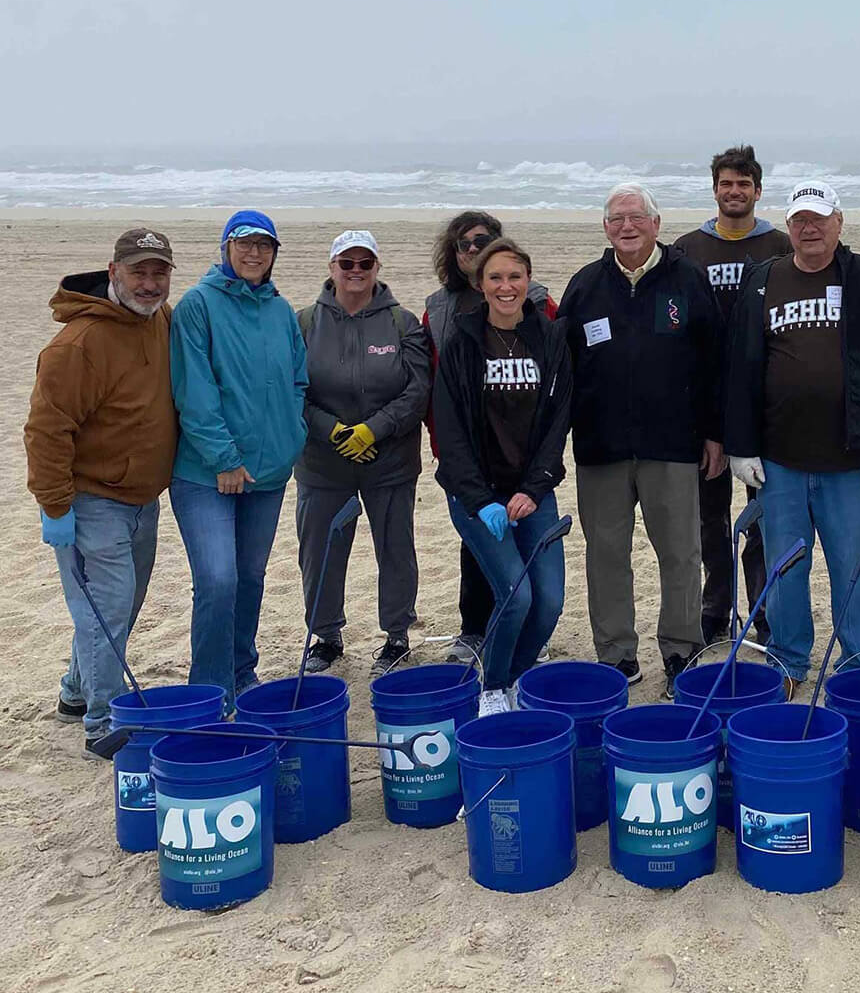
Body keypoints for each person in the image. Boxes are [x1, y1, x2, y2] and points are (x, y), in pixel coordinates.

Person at [725, 180, 860, 699]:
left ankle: (855, 663)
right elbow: (741, 367)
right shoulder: (763, 281)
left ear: (839, 221)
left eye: (819, 218)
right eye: (800, 220)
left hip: (852, 462)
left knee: (854, 568)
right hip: (781, 461)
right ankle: (790, 660)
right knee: (786, 569)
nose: (810, 228)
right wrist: (740, 443)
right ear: (788, 227)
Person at [558, 183, 724, 698]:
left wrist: (716, 433)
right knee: (606, 555)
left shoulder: (688, 278)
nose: (626, 227)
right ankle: (617, 655)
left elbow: (715, 362)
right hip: (601, 448)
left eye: (636, 218)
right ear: (605, 229)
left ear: (656, 223)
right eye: (616, 220)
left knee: (680, 552)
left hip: (672, 444)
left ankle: (680, 648)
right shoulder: (585, 286)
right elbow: (563, 369)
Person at [24, 228, 177, 757]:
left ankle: (73, 691)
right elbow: (45, 430)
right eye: (139, 272)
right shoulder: (76, 345)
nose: (150, 283)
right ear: (113, 272)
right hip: (90, 501)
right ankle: (101, 722)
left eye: (160, 273)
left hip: (142, 498)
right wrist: (55, 507)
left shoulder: (159, 319)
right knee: (108, 610)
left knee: (115, 610)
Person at [170, 210, 308, 713]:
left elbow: (298, 381)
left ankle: (240, 672)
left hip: (268, 474)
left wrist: (289, 439)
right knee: (218, 579)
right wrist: (225, 458)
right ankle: (209, 692)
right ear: (225, 247)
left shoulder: (280, 310)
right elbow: (195, 390)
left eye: (264, 246)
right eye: (244, 244)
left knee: (249, 577)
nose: (254, 254)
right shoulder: (197, 305)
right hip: (207, 474)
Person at [432, 238, 572, 715]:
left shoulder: (549, 338)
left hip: (533, 492)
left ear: (528, 281)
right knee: (515, 594)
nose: (506, 286)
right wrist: (478, 498)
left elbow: (558, 421)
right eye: (495, 278)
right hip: (477, 497)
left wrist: (534, 489)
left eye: (514, 276)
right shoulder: (462, 343)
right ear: (480, 285)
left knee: (549, 601)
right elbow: (449, 433)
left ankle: (515, 677)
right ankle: (492, 689)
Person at [295, 230, 431, 678]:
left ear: (377, 268)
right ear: (331, 267)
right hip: (323, 462)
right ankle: (326, 636)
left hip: (389, 461)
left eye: (364, 263)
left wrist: (375, 429)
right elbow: (291, 390)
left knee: (395, 549)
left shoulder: (402, 322)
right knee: (321, 551)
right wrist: (328, 428)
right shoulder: (304, 323)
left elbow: (418, 390)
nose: (356, 271)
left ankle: (396, 636)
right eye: (346, 263)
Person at [674, 144, 791, 646]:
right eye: (727, 183)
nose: (735, 191)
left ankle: (764, 613)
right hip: (704, 401)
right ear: (715, 189)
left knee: (763, 515)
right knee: (710, 518)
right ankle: (715, 610)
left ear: (758, 191)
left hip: (765, 402)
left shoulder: (779, 246)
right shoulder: (687, 248)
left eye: (744, 184)